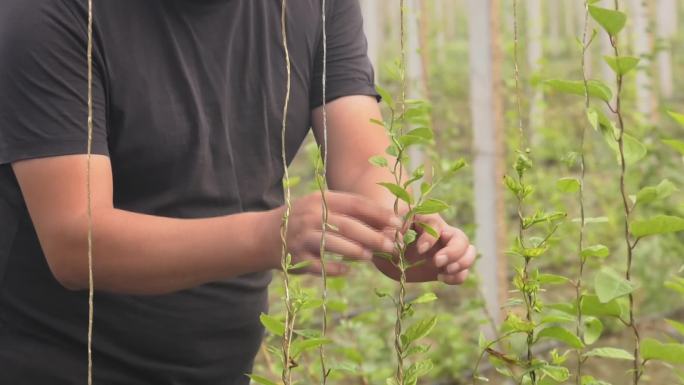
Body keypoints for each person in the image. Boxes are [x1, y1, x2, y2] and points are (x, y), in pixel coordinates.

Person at [0, 0, 476, 383]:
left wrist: (396, 230)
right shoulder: (49, 13)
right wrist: (272, 235)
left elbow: (359, 154)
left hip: (222, 361)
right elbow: (75, 241)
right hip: (62, 361)